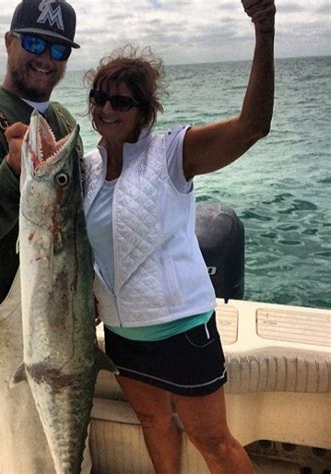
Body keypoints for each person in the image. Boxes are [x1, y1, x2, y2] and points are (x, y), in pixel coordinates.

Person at [82, 1, 275, 473]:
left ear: (144, 112)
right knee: (153, 422)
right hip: (122, 334)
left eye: (121, 102)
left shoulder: (172, 153)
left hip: (183, 331)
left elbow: (252, 127)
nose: (106, 108)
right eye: (99, 97)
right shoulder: (85, 169)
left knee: (213, 441)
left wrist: (264, 31)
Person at [0, 1, 89, 473]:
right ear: (9, 42)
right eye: (35, 42)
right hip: (10, 318)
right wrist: (12, 170)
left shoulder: (63, 121)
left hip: (65, 305)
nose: (45, 57)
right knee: (29, 460)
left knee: (73, 453)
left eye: (58, 49)